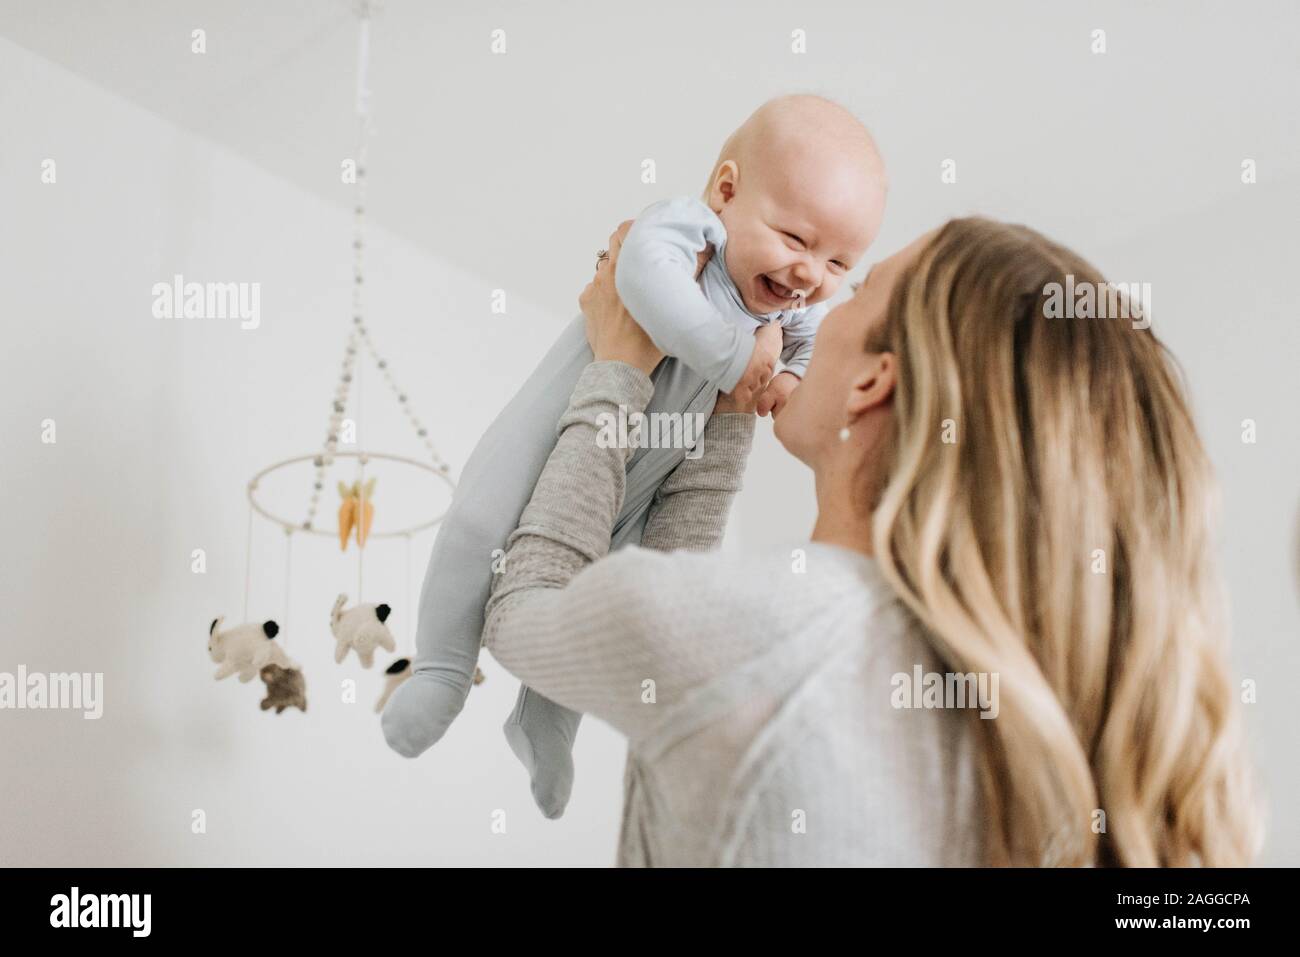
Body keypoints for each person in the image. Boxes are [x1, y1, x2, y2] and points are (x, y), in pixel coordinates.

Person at [480, 216, 1262, 866]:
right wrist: (719, 413)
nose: (812, 297)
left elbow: (523, 605)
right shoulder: (1023, 722)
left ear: (870, 381)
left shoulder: (752, 635)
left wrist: (618, 371)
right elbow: (692, 635)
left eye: (853, 288)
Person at [381, 95, 887, 820]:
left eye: (839, 260)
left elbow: (800, 350)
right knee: (476, 522)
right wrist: (735, 357)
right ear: (727, 191)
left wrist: (783, 378)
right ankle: (441, 669)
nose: (810, 273)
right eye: (796, 238)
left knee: (599, 587)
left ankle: (548, 719)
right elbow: (641, 279)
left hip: (640, 477)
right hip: (557, 428)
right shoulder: (687, 230)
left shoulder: (787, 314)